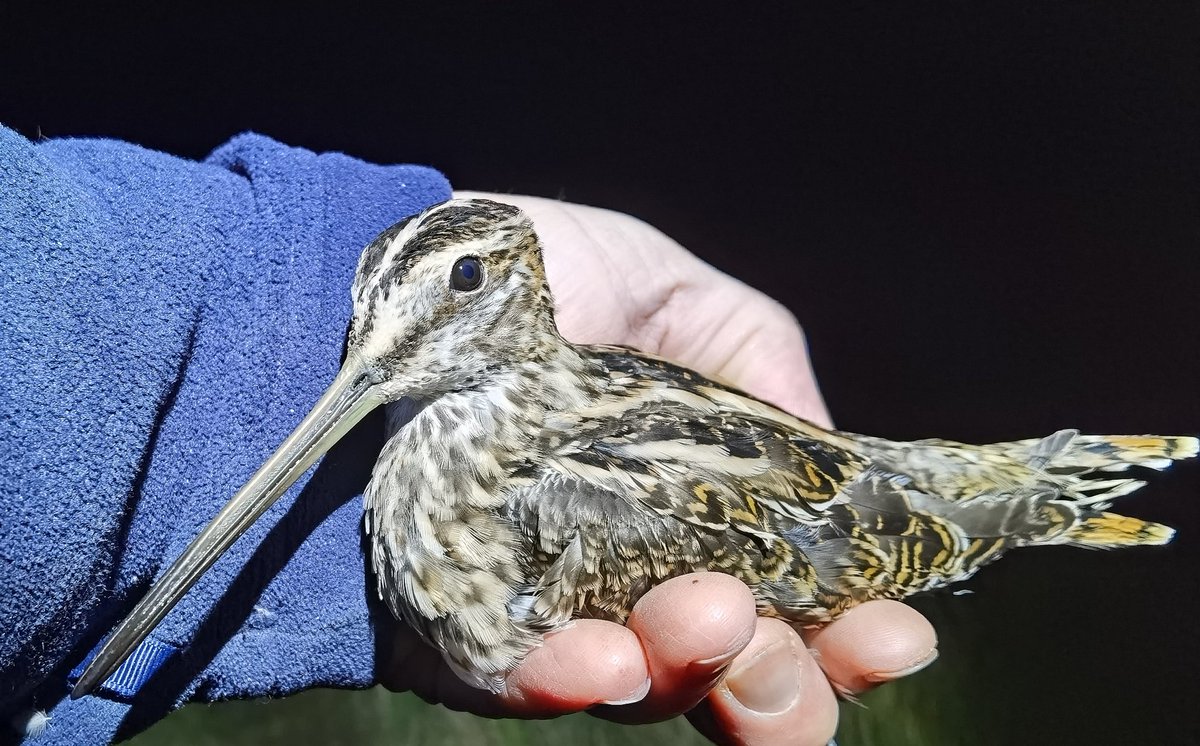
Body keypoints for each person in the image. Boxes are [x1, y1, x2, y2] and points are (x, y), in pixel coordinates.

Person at [0, 128, 937, 746]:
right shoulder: (438, 417)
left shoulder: (562, 502)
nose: (364, 371)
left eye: (457, 290)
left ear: (521, 292)